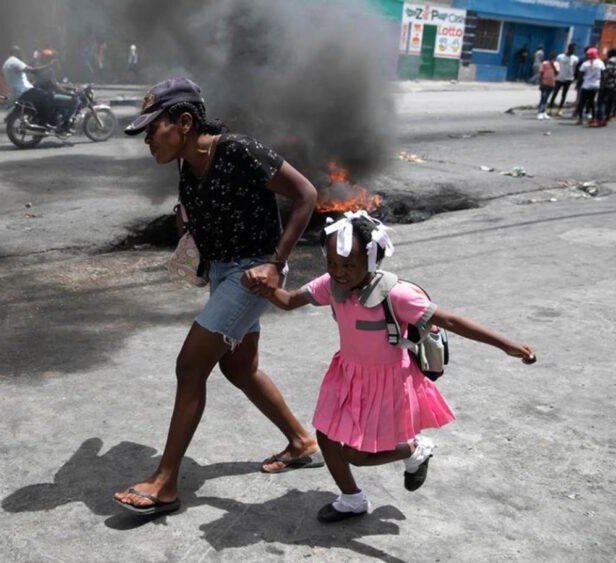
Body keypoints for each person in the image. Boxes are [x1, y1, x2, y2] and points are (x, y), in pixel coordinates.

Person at [114, 77, 321, 515]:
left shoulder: (239, 151)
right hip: (223, 273)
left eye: (154, 129)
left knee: (190, 366)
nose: (148, 139)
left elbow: (307, 194)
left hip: (252, 276)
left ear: (185, 121)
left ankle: (165, 482)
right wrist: (189, 231)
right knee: (240, 368)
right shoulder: (188, 164)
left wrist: (275, 263)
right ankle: (302, 442)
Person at [249, 211, 536, 522]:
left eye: (349, 265)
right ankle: (351, 499)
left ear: (372, 261)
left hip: (387, 382)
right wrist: (262, 286)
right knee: (327, 437)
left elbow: (450, 320)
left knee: (357, 456)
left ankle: (414, 449)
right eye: (332, 263)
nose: (339, 272)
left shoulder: (396, 295)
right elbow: (289, 301)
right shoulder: (330, 285)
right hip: (347, 374)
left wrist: (506, 344)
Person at [575, 47, 605, 126]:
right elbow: (603, 75)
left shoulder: (585, 64)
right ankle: (593, 119)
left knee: (582, 102)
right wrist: (602, 85)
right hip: (596, 85)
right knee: (592, 103)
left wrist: (578, 85)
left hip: (586, 86)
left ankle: (580, 118)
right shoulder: (600, 63)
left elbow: (580, 76)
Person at [548, 43, 578, 116]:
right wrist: (554, 75)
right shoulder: (560, 57)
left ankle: (560, 110)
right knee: (554, 93)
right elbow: (556, 66)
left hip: (568, 79)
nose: (573, 51)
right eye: (572, 49)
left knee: (564, 95)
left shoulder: (575, 59)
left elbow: (574, 68)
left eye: (574, 49)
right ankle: (549, 109)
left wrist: (574, 77)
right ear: (569, 49)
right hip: (559, 78)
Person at [594, 49, 616, 127]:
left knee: (601, 102)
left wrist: (602, 82)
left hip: (607, 84)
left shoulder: (610, 61)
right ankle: (607, 117)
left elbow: (607, 72)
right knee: (610, 102)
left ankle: (600, 118)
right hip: (614, 85)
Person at [536, 51, 557, 120]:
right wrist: (540, 83)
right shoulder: (544, 63)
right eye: (551, 58)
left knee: (547, 98)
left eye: (553, 58)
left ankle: (543, 111)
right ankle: (540, 112)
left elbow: (557, 73)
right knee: (543, 98)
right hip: (544, 83)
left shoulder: (556, 64)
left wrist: (553, 65)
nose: (552, 59)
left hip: (551, 84)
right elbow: (541, 73)